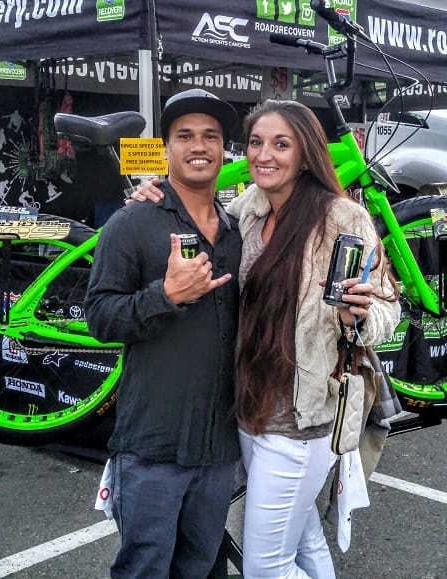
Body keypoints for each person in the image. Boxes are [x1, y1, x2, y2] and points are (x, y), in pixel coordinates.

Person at [131, 99, 400, 577]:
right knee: (302, 539)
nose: (264, 155)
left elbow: (386, 308)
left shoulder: (343, 218)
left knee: (265, 567)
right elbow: (191, 218)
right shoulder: (245, 210)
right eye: (256, 143)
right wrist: (154, 195)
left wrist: (360, 317)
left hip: (301, 417)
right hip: (248, 408)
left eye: (281, 144)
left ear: (306, 153)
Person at [84, 89, 243, 578]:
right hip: (153, 445)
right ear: (167, 148)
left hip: (219, 447)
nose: (199, 146)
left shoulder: (239, 231)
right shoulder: (132, 223)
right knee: (144, 569)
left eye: (211, 136)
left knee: (198, 566)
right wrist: (166, 296)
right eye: (185, 136)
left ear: (223, 150)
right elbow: (99, 317)